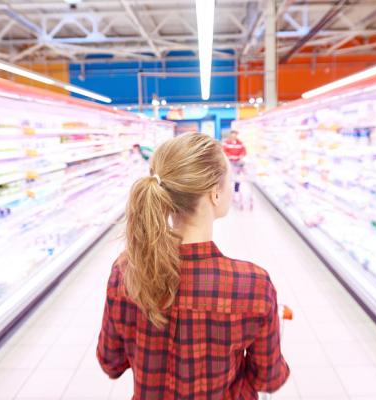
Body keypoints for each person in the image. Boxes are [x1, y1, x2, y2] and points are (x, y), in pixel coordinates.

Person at [97, 133, 289, 399]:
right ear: (215, 193)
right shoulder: (252, 284)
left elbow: (111, 361)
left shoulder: (126, 271)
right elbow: (268, 378)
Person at [222, 130, 247, 200]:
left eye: (235, 135)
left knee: (237, 178)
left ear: (236, 135)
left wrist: (241, 156)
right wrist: (229, 156)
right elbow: (224, 151)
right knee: (228, 177)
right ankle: (227, 192)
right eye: (232, 135)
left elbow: (244, 151)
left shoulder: (240, 143)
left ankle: (236, 191)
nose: (233, 136)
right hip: (229, 163)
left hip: (237, 163)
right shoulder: (226, 143)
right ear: (230, 135)